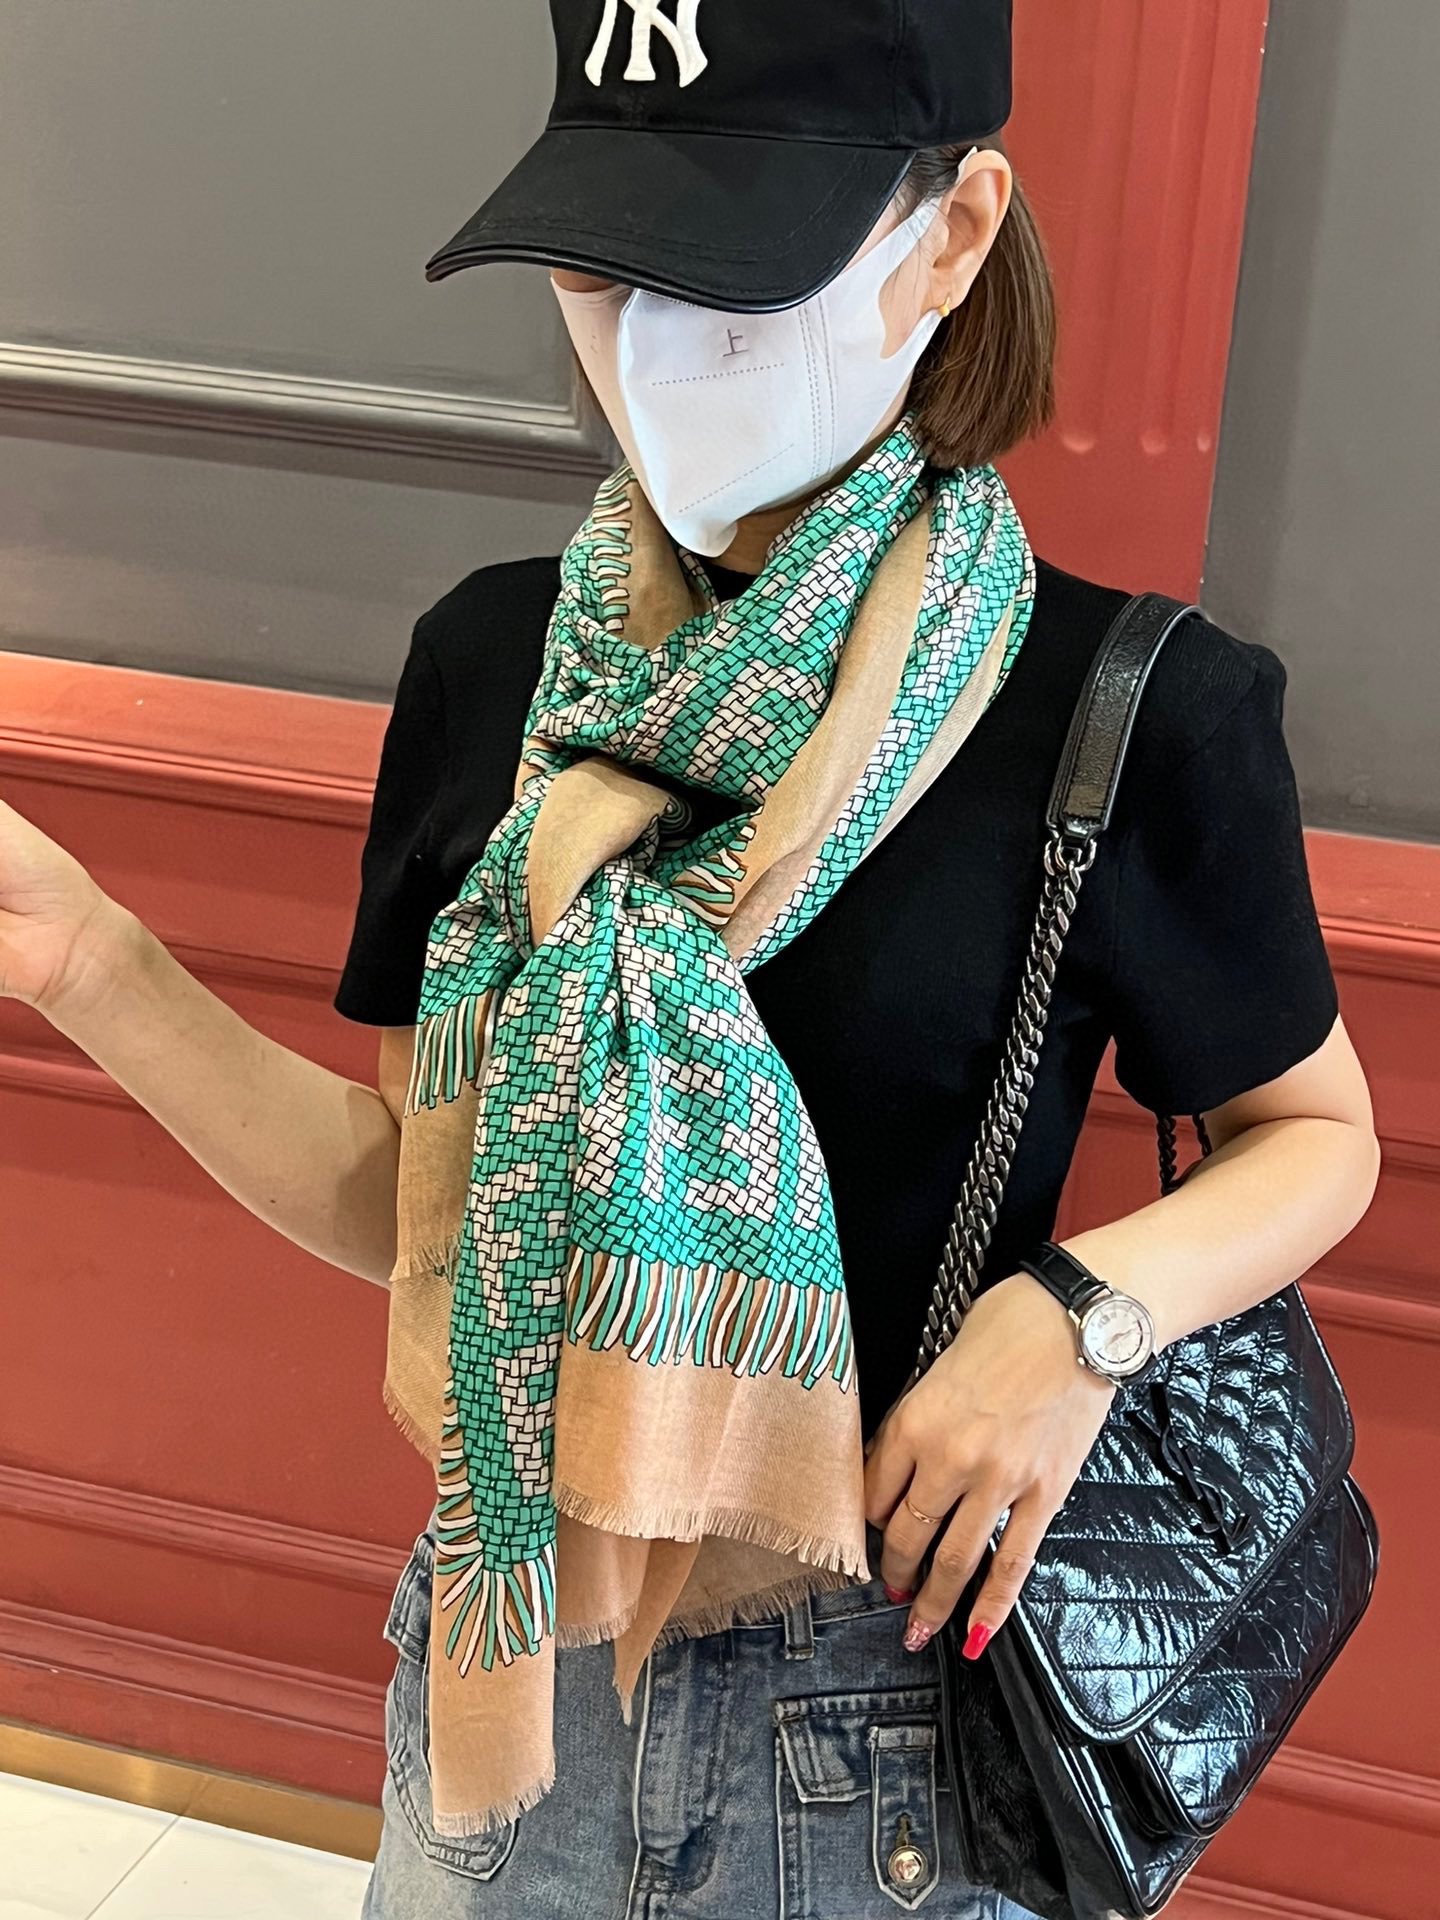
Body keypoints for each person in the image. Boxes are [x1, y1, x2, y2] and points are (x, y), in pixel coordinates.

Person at [0, 3, 1380, 1916]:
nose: (649, 350)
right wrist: (86, 960)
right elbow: (425, 1208)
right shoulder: (493, 665)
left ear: (954, 236)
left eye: (731, 276)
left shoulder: (1129, 710)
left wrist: (1077, 1319)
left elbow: (1316, 1139)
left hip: (897, 1721)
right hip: (513, 1662)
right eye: (603, 271)